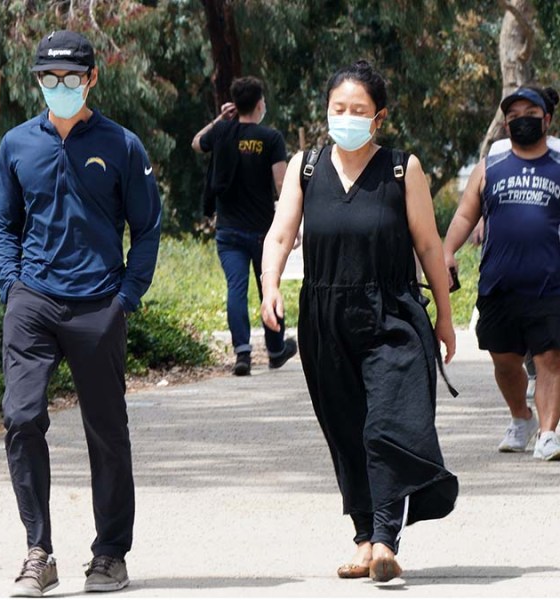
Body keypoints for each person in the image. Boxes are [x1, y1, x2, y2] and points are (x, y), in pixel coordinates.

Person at [260, 60, 458, 582]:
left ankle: (387, 538)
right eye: (338, 109)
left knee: (386, 424)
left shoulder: (401, 168)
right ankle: (365, 536)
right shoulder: (307, 167)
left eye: (359, 110)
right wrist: (270, 288)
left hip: (392, 311)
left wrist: (445, 315)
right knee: (346, 429)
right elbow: (279, 235)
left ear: (379, 117)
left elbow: (429, 245)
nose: (346, 117)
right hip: (325, 318)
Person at [0, 30, 162, 596]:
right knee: (21, 417)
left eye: (68, 78)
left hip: (98, 305)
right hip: (32, 302)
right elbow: (2, 222)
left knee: (107, 432)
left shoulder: (122, 145)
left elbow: (149, 227)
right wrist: (11, 286)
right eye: (47, 78)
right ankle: (39, 551)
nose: (57, 87)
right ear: (37, 80)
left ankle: (110, 554)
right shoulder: (16, 145)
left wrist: (125, 299)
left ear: (90, 79)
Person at [444, 85, 560, 461]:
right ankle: (521, 417)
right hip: (499, 282)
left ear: (547, 119)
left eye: (529, 113)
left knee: (550, 358)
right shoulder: (490, 166)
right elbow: (465, 215)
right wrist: (447, 251)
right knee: (504, 360)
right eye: (513, 116)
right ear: (506, 124)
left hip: (550, 283)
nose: (520, 119)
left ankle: (547, 433)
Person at [191, 76, 297, 376]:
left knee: (236, 288)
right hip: (264, 232)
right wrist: (293, 223)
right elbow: (281, 183)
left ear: (235, 105)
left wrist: (219, 119)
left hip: (229, 232)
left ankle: (243, 354)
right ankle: (276, 350)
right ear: (260, 104)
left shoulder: (222, 132)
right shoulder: (270, 138)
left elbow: (197, 143)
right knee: (268, 286)